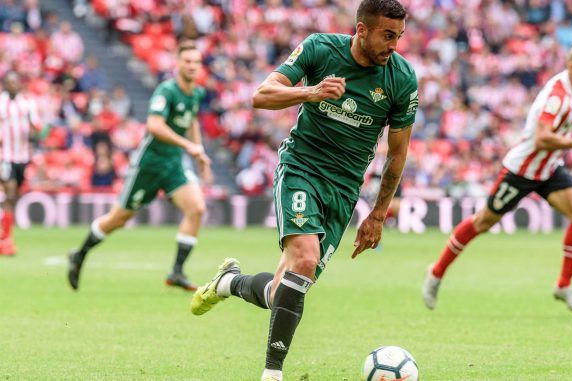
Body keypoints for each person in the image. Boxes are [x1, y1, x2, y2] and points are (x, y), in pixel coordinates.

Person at [190, 1, 418, 380]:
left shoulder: (402, 79)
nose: (394, 45)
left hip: (344, 191)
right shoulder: (319, 49)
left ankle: (228, 282)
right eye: (387, 35)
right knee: (305, 258)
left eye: (399, 37)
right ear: (361, 30)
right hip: (302, 169)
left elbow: (397, 154)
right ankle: (272, 374)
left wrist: (377, 214)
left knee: (283, 290)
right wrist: (310, 93)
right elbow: (261, 95)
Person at [422, 44, 572, 313]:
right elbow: (542, 139)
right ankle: (435, 273)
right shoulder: (557, 96)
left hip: (549, 168)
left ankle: (563, 285)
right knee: (483, 222)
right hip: (522, 170)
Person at [67, 40, 212, 291]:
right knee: (119, 218)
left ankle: (176, 272)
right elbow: (154, 125)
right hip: (149, 164)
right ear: (177, 63)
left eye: (196, 62)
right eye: (187, 61)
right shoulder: (166, 91)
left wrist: (199, 152)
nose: (192, 66)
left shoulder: (196, 93)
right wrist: (189, 146)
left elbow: (192, 121)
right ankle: (79, 254)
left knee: (197, 208)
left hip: (173, 164)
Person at [0, 72, 43, 256]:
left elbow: (37, 128)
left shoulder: (28, 103)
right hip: (5, 156)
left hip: (22, 157)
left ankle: (6, 234)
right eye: (9, 82)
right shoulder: (1, 104)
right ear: (4, 84)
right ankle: (6, 239)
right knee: (9, 192)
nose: (12, 85)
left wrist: (35, 131)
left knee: (14, 195)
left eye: (15, 82)